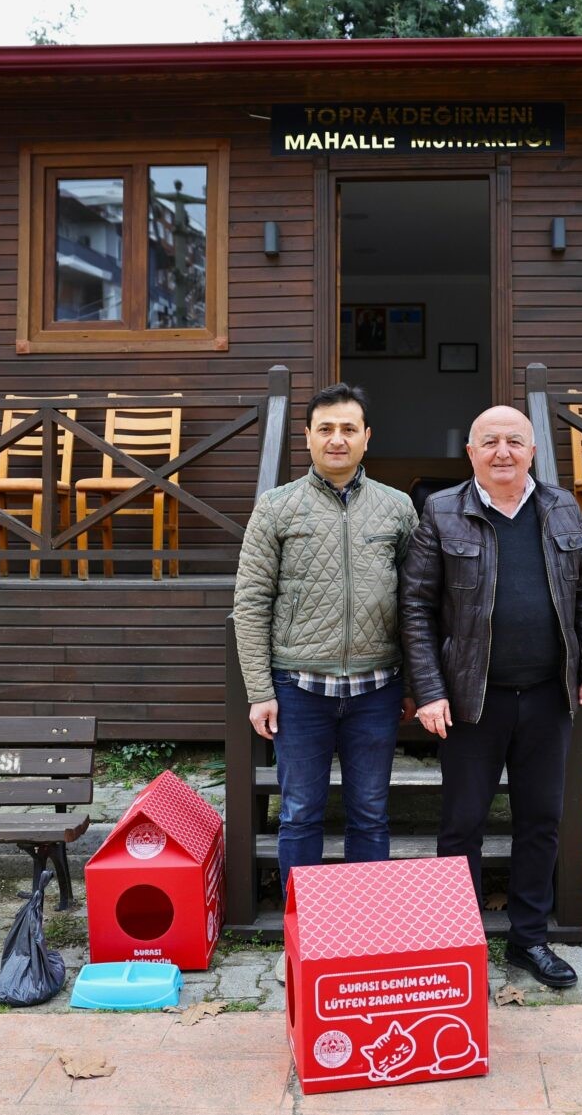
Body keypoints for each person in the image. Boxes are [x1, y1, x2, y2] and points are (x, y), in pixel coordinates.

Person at [400, 405, 582, 989]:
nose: (502, 452)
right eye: (489, 442)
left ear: (533, 450)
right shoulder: (441, 512)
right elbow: (414, 608)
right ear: (470, 453)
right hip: (472, 699)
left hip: (547, 694)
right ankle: (455, 948)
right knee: (461, 824)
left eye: (515, 441)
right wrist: (430, 690)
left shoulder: (562, 507)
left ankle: (529, 941)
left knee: (540, 821)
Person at [233, 382, 418, 903]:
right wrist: (259, 689)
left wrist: (414, 683)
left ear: (366, 439)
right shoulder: (275, 508)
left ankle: (359, 937)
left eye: (348, 429)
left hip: (377, 689)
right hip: (298, 688)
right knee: (298, 815)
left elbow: (416, 603)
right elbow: (249, 603)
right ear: (308, 437)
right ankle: (303, 936)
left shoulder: (398, 508)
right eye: (326, 429)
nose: (337, 440)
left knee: (369, 814)